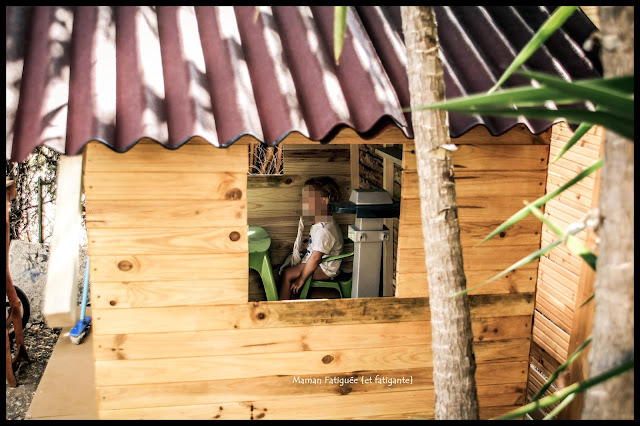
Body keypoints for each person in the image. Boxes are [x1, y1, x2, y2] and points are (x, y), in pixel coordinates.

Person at [279, 176, 344, 300]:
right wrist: (305, 249)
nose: (304, 203)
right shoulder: (321, 224)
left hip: (325, 268)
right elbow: (318, 247)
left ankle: (282, 306)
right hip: (319, 262)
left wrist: (301, 279)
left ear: (324, 201)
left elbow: (315, 258)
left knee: (287, 274)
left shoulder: (324, 230)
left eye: (309, 199)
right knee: (288, 269)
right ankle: (291, 298)